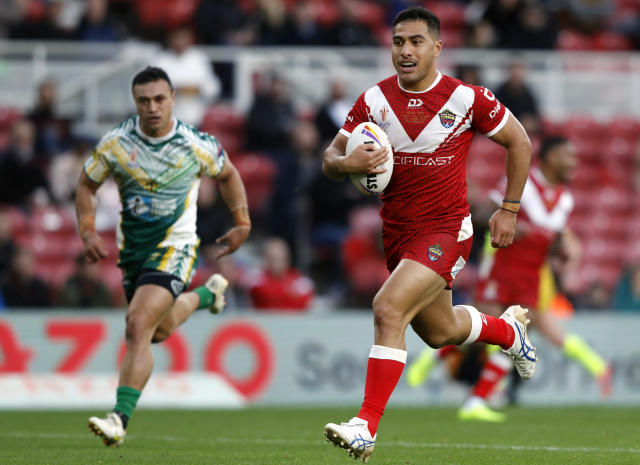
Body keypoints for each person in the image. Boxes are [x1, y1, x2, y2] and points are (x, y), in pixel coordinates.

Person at [321, 7, 534, 462]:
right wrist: (346, 165)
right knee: (440, 332)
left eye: (416, 41)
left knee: (387, 307)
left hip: (446, 231)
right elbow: (329, 159)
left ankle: (366, 426)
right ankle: (509, 332)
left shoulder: (465, 98)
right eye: (398, 42)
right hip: (398, 235)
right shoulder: (373, 101)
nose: (405, 50)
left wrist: (509, 209)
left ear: (437, 47)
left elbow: (520, 141)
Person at [77, 67, 251, 447]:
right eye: (144, 101)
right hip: (134, 252)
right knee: (158, 330)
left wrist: (242, 221)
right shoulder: (117, 143)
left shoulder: (195, 143)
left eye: (159, 99)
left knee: (137, 325)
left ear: (172, 98)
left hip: (176, 247)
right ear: (135, 102)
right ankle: (208, 295)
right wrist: (88, 229)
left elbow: (229, 175)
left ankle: (118, 419)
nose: (152, 107)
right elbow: (87, 185)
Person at [407, 136, 612, 422]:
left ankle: (476, 401)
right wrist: (511, 222)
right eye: (568, 156)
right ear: (551, 157)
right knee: (481, 331)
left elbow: (553, 239)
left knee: (513, 338)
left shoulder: (565, 199)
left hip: (531, 276)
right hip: (502, 268)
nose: (574, 163)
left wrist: (560, 249)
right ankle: (434, 361)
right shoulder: (523, 184)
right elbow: (483, 212)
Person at [246, 236, 314, 311]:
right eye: (272, 258)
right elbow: (261, 294)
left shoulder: (301, 281)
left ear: (287, 259)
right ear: (265, 259)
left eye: (280, 258)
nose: (276, 263)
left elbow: (305, 305)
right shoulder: (255, 278)